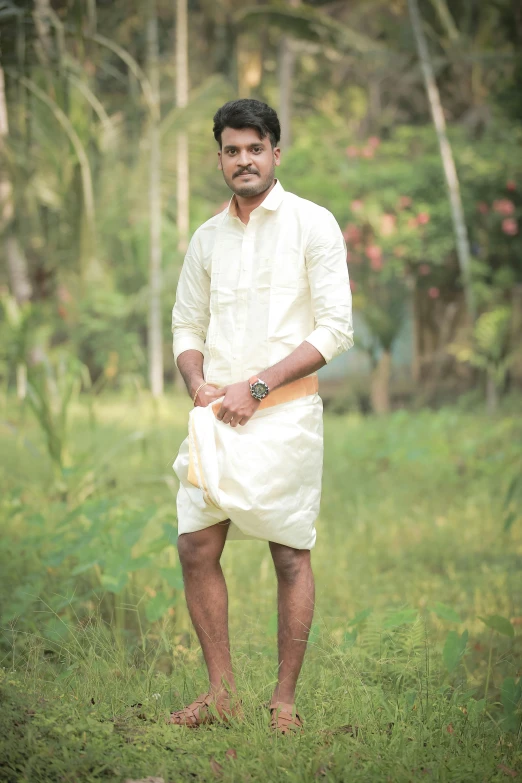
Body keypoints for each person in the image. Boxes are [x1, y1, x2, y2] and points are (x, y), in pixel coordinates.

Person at [169, 98, 353, 734]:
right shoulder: (206, 237)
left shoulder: (313, 224)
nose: (243, 160)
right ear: (219, 157)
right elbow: (187, 324)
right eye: (231, 149)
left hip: (286, 416)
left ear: (276, 152)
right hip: (217, 419)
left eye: (255, 148)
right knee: (196, 544)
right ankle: (221, 694)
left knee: (290, 555)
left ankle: (284, 702)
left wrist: (257, 385)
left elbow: (335, 330)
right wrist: (197, 382)